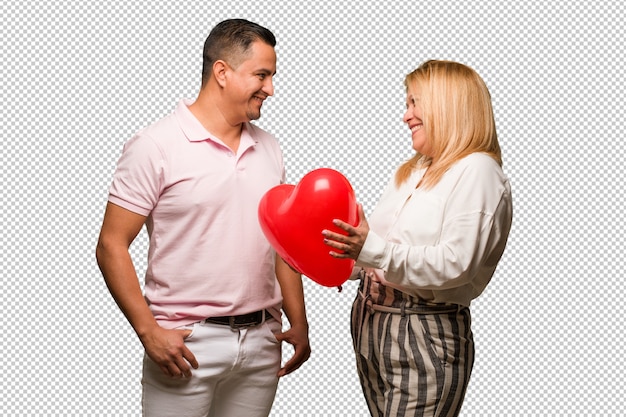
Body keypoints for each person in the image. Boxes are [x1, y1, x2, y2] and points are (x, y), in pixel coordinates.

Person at [96, 19, 310, 417]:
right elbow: (111, 245)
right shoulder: (154, 146)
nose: (271, 89)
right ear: (222, 73)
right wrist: (149, 332)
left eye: (272, 76)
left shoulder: (271, 148)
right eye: (261, 75)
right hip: (186, 344)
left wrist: (299, 321)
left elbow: (282, 243)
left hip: (263, 342)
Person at [323, 60, 513, 417]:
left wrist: (370, 252)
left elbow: (456, 264)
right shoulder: (415, 170)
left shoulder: (479, 171)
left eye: (414, 103)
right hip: (372, 323)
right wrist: (337, 255)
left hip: (423, 331)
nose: (406, 116)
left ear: (446, 105)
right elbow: (376, 248)